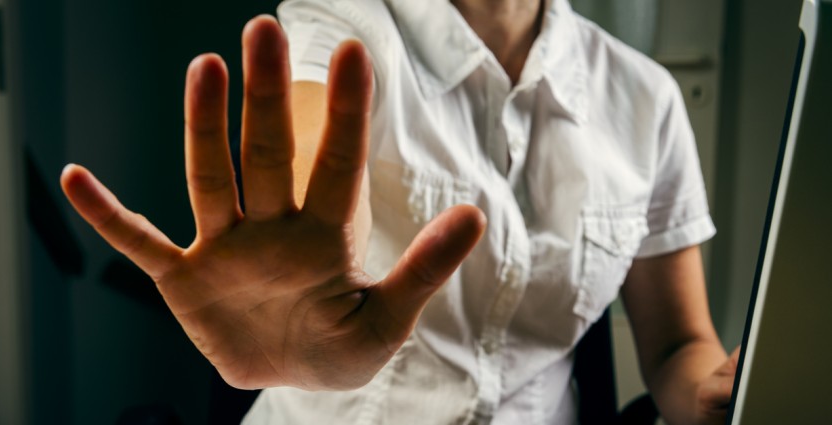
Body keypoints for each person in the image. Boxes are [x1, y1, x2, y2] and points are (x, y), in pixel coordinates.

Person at [60, 0, 739, 423]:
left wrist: (715, 394)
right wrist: (302, 271)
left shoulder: (645, 97)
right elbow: (314, 173)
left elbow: (679, 345)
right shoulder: (337, 24)